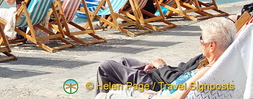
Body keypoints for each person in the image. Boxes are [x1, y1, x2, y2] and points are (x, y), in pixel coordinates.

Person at [95, 17, 236, 98]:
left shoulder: (207, 70)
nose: (200, 43)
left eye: (201, 39)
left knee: (105, 79)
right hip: (161, 87)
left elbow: (178, 96)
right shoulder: (218, 63)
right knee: (122, 63)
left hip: (159, 87)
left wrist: (150, 95)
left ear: (211, 45)